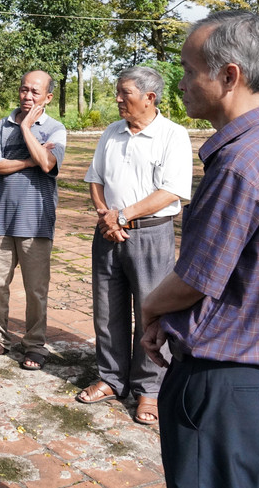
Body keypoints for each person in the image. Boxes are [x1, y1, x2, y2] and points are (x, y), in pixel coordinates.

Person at [141, 10, 259, 488]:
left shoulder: (241, 163)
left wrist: (151, 309)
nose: (181, 82)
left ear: (228, 75)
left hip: (223, 384)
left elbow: (197, 278)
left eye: (188, 69)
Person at [77, 67, 192, 426]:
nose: (117, 99)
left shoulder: (173, 135)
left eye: (124, 93)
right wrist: (106, 216)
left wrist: (122, 216)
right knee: (106, 309)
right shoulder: (111, 133)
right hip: (108, 232)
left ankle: (150, 389)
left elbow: (171, 191)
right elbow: (96, 179)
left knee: (150, 310)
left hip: (150, 234)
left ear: (149, 97)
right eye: (117, 91)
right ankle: (111, 378)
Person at [0, 71, 66, 370]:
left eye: (35, 92)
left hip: (36, 220)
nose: (27, 96)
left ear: (48, 97)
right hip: (0, 218)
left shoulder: (56, 129)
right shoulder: (2, 126)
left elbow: (48, 163)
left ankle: (35, 344)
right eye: (24, 90)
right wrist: (28, 160)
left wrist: (27, 127)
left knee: (36, 288)